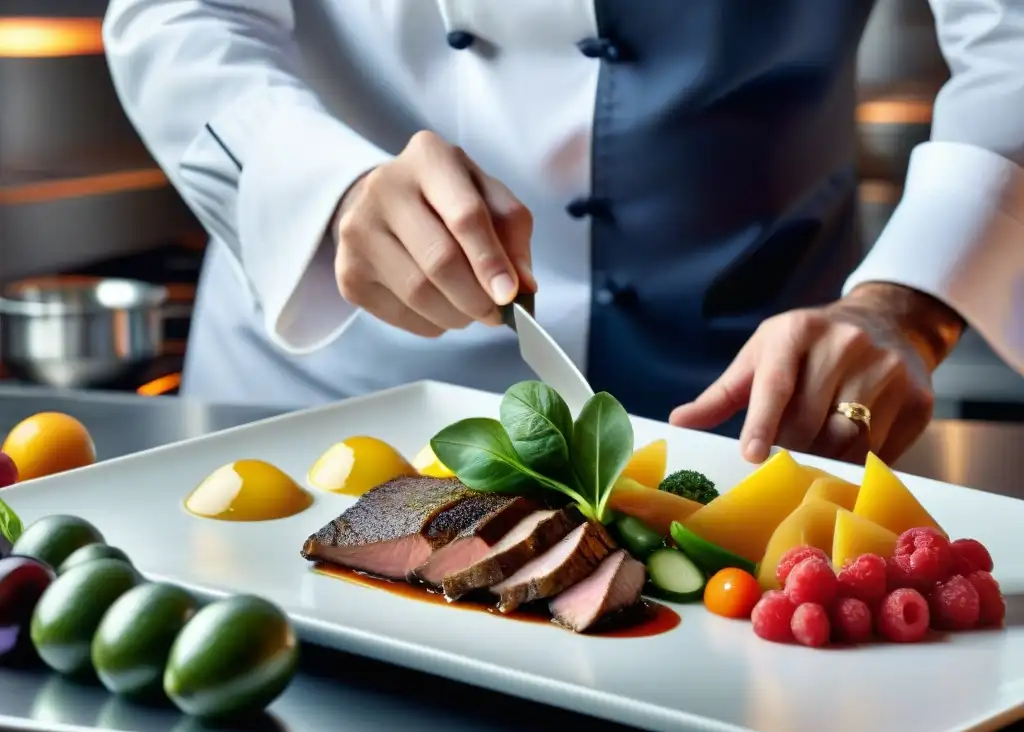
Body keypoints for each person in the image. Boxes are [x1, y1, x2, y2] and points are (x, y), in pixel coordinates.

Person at [102, 0, 1024, 466]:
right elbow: (179, 12)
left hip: (758, 404)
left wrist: (908, 304)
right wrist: (330, 192)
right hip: (322, 405)